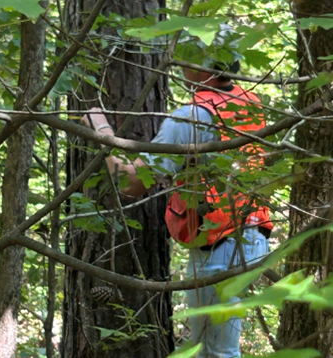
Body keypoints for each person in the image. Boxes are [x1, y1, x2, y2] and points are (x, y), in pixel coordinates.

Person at [80, 33, 272, 358]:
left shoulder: (190, 117)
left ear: (200, 66)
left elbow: (131, 184)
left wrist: (99, 128)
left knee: (217, 353)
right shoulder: (247, 101)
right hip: (249, 239)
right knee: (206, 350)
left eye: (184, 54)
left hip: (222, 250)